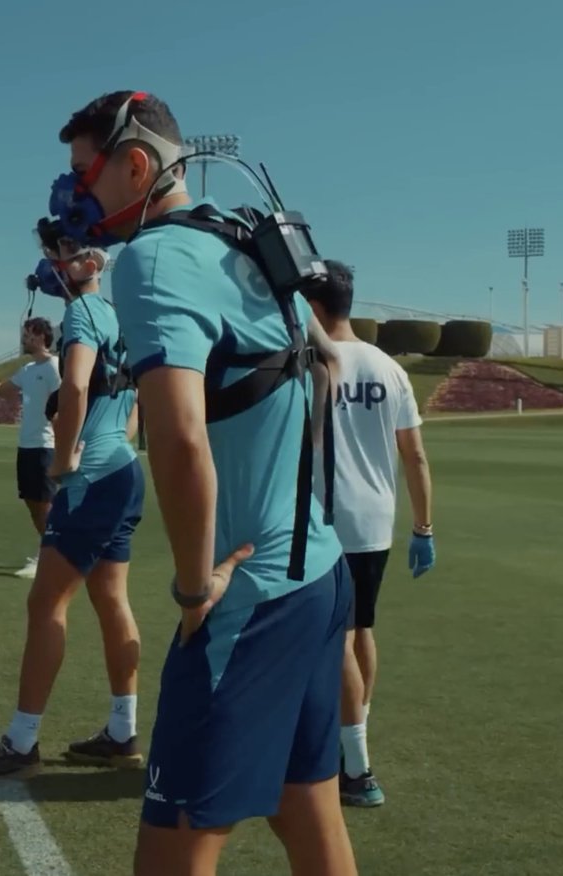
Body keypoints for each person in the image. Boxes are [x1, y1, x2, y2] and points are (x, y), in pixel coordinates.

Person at [53, 90, 358, 876]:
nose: (77, 192)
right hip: (317, 574)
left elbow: (182, 438)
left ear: (137, 165)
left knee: (175, 850)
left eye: (85, 173)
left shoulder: (152, 258)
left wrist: (194, 591)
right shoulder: (239, 232)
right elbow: (326, 362)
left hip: (247, 595)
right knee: (309, 815)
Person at [0, 232, 145, 779]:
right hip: (124, 470)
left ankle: (21, 741)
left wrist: (63, 462)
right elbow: (135, 397)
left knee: (45, 605)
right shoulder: (118, 312)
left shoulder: (84, 312)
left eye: (61, 253)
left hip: (92, 478)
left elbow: (77, 387)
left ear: (88, 262)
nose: (50, 264)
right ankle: (122, 729)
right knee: (111, 600)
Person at [301, 259, 436, 808]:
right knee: (361, 630)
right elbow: (416, 454)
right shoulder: (389, 368)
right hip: (376, 522)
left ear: (312, 307)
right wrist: (423, 527)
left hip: (327, 519)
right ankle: (351, 736)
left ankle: (355, 766)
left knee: (333, 641)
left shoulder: (313, 362)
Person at [0, 317, 61, 579]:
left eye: (28, 334)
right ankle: (50, 549)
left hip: (45, 445)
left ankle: (50, 555)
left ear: (41, 336)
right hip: (26, 446)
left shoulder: (55, 367)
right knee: (32, 503)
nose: (24, 338)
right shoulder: (28, 370)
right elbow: (0, 390)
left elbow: (65, 405)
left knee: (44, 504)